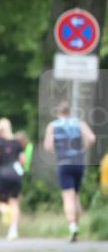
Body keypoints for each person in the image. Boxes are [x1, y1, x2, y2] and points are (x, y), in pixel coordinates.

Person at [43, 102, 96, 242]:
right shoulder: (79, 123)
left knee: (68, 196)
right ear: (70, 111)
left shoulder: (53, 126)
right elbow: (91, 138)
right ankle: (76, 228)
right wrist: (84, 147)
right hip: (78, 163)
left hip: (64, 162)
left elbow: (48, 146)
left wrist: (57, 149)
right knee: (76, 196)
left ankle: (72, 227)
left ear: (58, 112)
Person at [0, 118, 26, 241]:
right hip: (16, 174)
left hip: (3, 174)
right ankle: (13, 230)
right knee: (15, 202)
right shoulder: (17, 142)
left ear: (0, 130)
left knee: (2, 203)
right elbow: (23, 160)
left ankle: (6, 212)